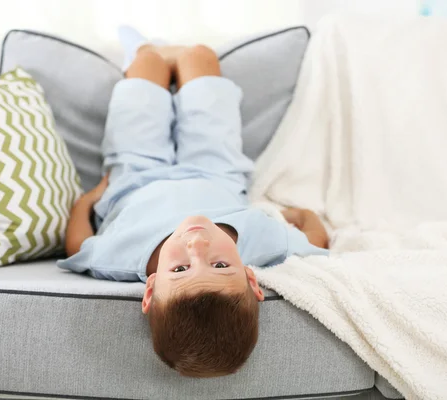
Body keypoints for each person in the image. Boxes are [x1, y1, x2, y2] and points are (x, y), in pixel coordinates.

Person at [57, 27, 330, 378]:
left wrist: (86, 201)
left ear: (151, 289)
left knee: (147, 63)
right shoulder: (264, 242)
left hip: (137, 171)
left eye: (180, 269)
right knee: (200, 56)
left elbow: (77, 247)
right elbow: (318, 243)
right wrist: (300, 213)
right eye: (220, 266)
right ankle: (176, 58)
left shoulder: (120, 259)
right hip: (215, 168)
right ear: (251, 279)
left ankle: (152, 55)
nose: (197, 244)